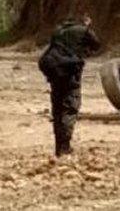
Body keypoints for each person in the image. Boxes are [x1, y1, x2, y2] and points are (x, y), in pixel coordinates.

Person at [37, 15, 100, 157]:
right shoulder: (83, 30)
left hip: (55, 74)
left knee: (57, 110)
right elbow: (96, 45)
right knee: (70, 108)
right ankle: (65, 147)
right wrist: (88, 28)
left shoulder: (58, 31)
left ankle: (59, 147)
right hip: (71, 75)